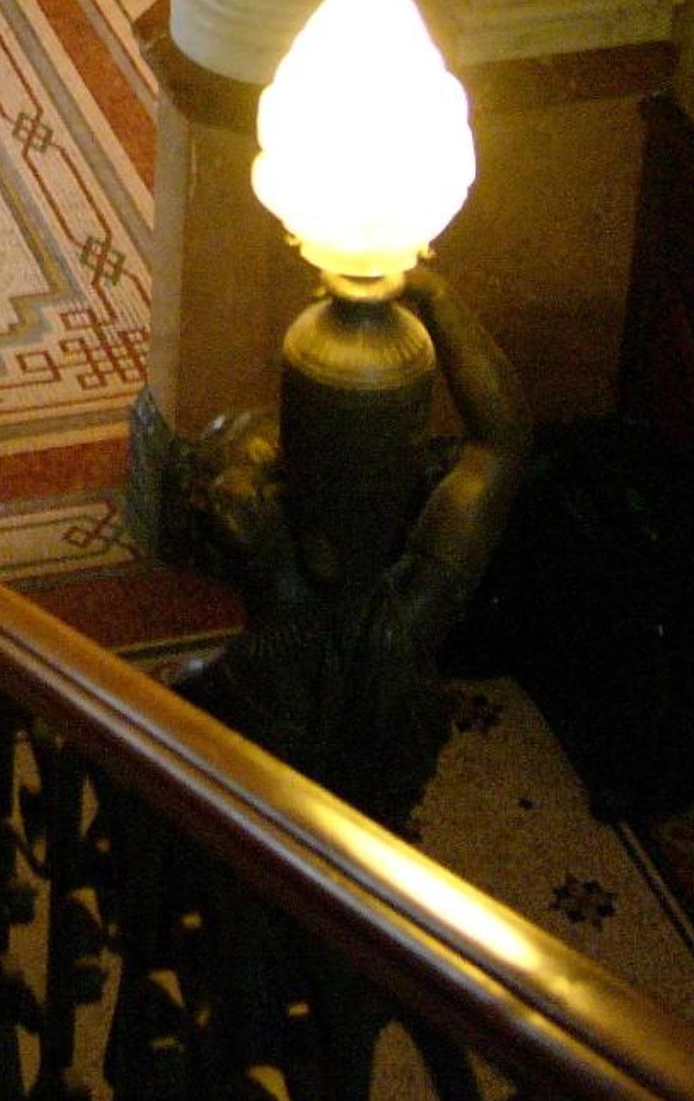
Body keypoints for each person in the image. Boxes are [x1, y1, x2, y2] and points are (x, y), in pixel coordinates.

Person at [156, 263, 533, 828]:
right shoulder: (394, 632)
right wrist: (436, 296)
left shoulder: (203, 695)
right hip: (369, 858)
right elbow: (501, 444)